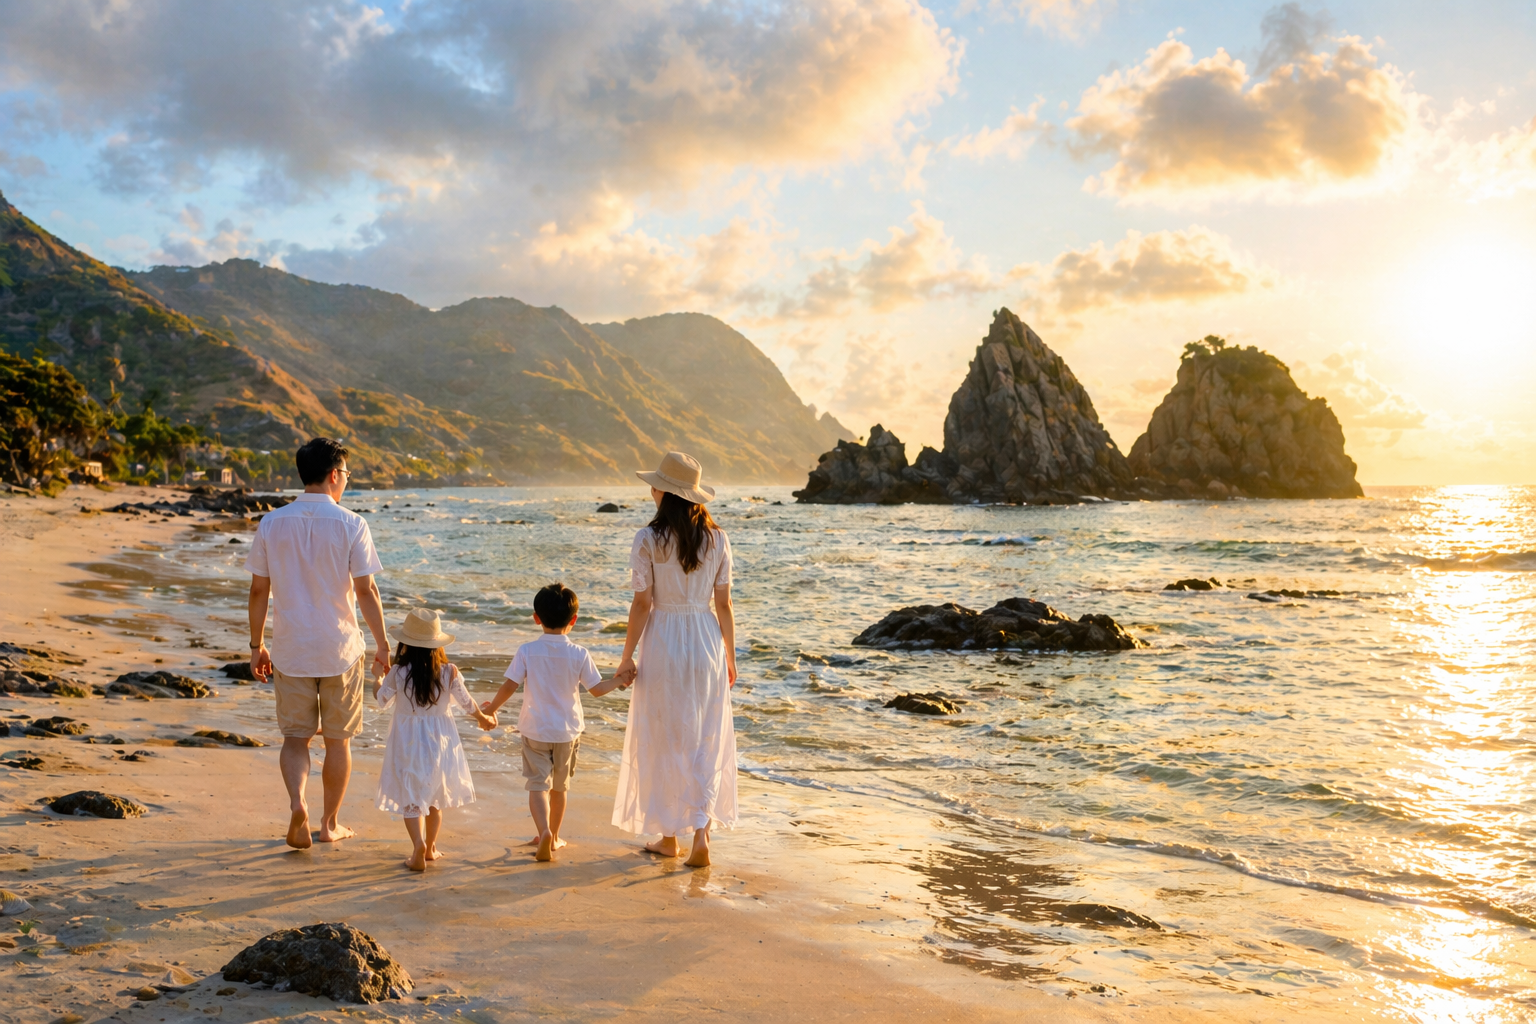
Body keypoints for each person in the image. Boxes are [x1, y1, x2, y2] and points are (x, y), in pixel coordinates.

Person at [246, 438, 389, 850]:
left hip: (291, 648)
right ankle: (329, 824)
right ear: (334, 475)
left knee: (295, 739)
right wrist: (382, 644)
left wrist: (256, 646)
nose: (345, 481)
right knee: (338, 741)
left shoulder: (272, 523)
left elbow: (259, 591)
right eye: (346, 474)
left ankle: (297, 804)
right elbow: (366, 591)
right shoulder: (352, 523)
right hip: (339, 649)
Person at [612, 451, 737, 868]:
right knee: (704, 735)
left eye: (656, 485)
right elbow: (724, 604)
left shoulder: (648, 539)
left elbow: (643, 604)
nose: (651, 489)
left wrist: (626, 656)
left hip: (664, 639)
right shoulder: (718, 539)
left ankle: (669, 837)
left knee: (665, 736)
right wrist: (730, 658)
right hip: (706, 641)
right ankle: (700, 833)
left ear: (664, 493)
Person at [481, 583, 627, 862]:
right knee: (560, 787)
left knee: (537, 785)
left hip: (535, 728)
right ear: (574, 620)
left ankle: (543, 832)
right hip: (568, 731)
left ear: (536, 618)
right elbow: (596, 689)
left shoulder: (527, 650)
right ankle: (556, 836)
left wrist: (491, 709)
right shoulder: (580, 653)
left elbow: (510, 686)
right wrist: (620, 680)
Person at [374, 608, 496, 871]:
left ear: (405, 642)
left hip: (406, 741)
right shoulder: (449, 671)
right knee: (435, 796)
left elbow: (381, 700)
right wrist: (483, 718)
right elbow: (467, 703)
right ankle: (429, 848)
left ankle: (416, 843)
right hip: (439, 741)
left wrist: (377, 676)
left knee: (411, 796)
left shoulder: (398, 671)